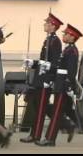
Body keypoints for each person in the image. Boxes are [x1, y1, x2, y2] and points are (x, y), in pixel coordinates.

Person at [20, 12, 63, 143]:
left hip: (46, 80)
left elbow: (55, 63)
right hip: (40, 78)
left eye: (47, 23)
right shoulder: (48, 40)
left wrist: (49, 80)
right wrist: (33, 63)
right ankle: (34, 134)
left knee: (41, 108)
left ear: (53, 26)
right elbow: (43, 61)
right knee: (35, 106)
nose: (45, 25)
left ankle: (36, 135)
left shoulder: (55, 42)